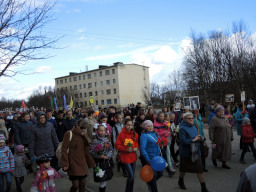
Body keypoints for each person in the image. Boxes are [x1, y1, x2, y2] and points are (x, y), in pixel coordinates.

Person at [61, 119, 96, 192]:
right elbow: (64, 149)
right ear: (76, 125)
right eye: (81, 128)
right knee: (75, 185)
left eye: (84, 128)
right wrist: (65, 163)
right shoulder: (69, 133)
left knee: (82, 185)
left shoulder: (84, 136)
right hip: (72, 163)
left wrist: (91, 163)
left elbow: (87, 151)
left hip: (82, 164)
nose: (83, 130)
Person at [178, 113, 209, 192]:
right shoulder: (182, 128)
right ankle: (180, 180)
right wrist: (193, 140)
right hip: (186, 153)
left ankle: (203, 188)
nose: (192, 119)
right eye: (189, 118)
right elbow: (182, 141)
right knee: (183, 169)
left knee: (199, 169)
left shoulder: (194, 126)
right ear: (185, 119)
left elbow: (196, 135)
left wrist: (199, 138)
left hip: (195, 151)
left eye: (192, 118)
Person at [115, 119, 139, 192]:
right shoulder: (121, 134)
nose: (129, 127)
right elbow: (117, 145)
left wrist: (136, 147)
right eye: (128, 125)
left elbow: (137, 143)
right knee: (131, 175)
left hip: (133, 157)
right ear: (124, 125)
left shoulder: (135, 134)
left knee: (132, 177)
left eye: (131, 125)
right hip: (125, 157)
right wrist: (126, 149)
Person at [140, 120, 163, 192]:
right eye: (148, 126)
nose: (150, 127)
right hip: (150, 158)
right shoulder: (144, 136)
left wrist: (161, 144)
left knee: (160, 173)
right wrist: (148, 159)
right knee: (154, 175)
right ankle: (153, 189)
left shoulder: (155, 133)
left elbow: (159, 142)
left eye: (151, 125)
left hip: (157, 158)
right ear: (145, 128)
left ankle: (150, 183)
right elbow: (142, 149)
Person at [90, 125, 114, 192]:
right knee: (101, 178)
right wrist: (99, 155)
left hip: (106, 162)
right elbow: (91, 151)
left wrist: (107, 156)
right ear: (97, 131)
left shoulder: (107, 140)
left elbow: (111, 150)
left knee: (105, 178)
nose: (102, 132)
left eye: (104, 130)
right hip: (98, 163)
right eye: (101, 130)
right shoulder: (94, 140)